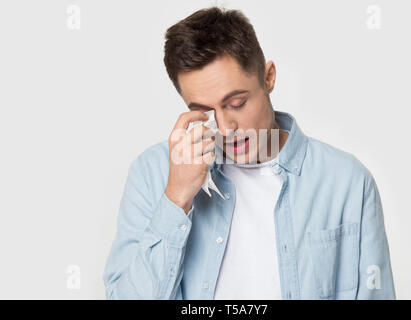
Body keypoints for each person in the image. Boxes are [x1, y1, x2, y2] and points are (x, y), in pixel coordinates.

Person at [103, 6, 396, 300]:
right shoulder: (153, 174)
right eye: (204, 112)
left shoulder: (346, 182)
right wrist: (176, 198)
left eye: (237, 103)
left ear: (268, 77)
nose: (225, 127)